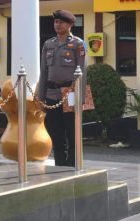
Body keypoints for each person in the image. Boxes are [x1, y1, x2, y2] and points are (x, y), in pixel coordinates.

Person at [37, 9, 86, 167]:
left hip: (70, 94)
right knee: (55, 134)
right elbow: (44, 72)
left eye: (61, 22)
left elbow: (82, 71)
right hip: (51, 95)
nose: (57, 25)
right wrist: (41, 98)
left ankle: (72, 166)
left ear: (70, 24)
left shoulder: (78, 44)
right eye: (56, 22)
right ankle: (59, 166)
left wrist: (80, 98)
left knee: (72, 133)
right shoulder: (48, 44)